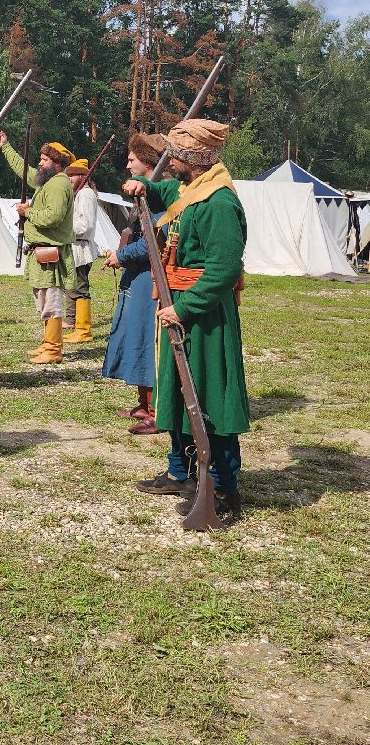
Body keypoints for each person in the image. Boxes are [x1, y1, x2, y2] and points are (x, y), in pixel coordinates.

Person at [123, 119, 250, 521]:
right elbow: (167, 192)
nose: (168, 161)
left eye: (174, 155)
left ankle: (223, 484)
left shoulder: (219, 202)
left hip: (204, 314)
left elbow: (224, 269)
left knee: (211, 395)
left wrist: (184, 307)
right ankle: (181, 470)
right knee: (177, 390)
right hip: (178, 306)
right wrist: (146, 187)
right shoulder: (190, 188)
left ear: (190, 158)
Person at [101, 133, 167, 434]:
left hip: (151, 277)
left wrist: (121, 255)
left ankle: (157, 410)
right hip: (137, 274)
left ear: (148, 162)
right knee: (133, 336)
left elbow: (155, 242)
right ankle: (143, 402)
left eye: (132, 159)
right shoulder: (144, 194)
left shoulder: (160, 196)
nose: (127, 165)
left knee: (146, 339)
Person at [0, 132, 74, 364]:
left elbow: (53, 216)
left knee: (51, 301)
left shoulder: (58, 184)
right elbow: (24, 170)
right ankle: (47, 343)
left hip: (51, 252)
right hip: (42, 251)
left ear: (57, 163)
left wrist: (28, 212)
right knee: (44, 300)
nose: (40, 163)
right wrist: (5, 147)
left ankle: (53, 349)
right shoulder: (49, 181)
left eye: (45, 159)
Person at [62, 158, 100, 343]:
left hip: (81, 247)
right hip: (75, 246)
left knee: (80, 287)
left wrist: (63, 228)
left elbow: (85, 225)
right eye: (68, 175)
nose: (69, 178)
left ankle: (83, 330)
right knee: (72, 285)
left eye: (73, 175)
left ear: (83, 176)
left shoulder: (85, 194)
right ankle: (72, 322)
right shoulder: (78, 193)